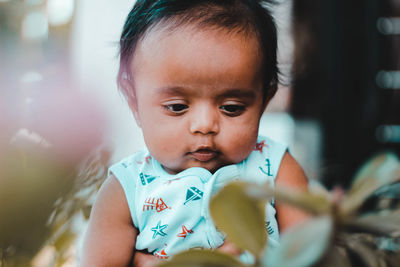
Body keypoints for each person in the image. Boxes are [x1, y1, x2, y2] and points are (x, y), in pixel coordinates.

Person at [81, 0, 309, 266]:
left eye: (231, 108)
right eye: (177, 107)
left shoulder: (276, 168)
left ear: (264, 100)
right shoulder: (127, 189)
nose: (204, 125)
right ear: (134, 102)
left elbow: (312, 252)